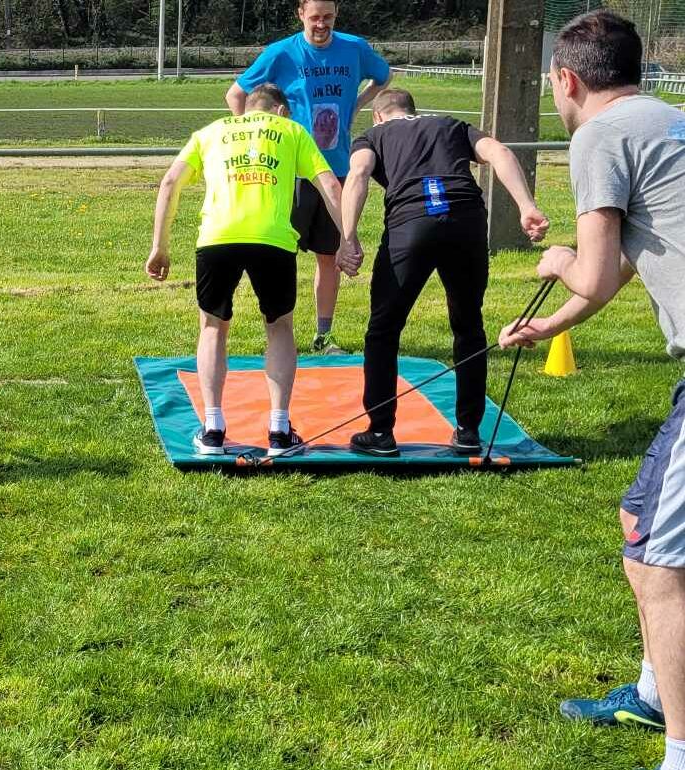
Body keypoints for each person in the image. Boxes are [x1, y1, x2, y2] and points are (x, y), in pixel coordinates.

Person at [497, 11, 685, 769]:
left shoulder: (599, 136)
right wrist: (552, 325)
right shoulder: (666, 121)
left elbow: (595, 268)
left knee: (657, 567)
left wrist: (559, 262)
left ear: (565, 79)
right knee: (639, 517)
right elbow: (634, 256)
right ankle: (652, 694)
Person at [338, 88, 549, 457]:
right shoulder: (451, 125)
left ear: (378, 115)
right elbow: (499, 152)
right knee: (468, 325)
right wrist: (526, 206)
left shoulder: (373, 135)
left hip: (411, 222)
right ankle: (468, 431)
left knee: (383, 329)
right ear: (413, 110)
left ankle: (381, 431)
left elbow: (358, 173)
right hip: (465, 219)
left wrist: (348, 236)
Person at [147, 84, 348, 457]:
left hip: (217, 237)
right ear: (281, 110)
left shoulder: (211, 132)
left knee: (212, 327)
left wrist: (160, 245)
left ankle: (212, 429)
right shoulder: (291, 131)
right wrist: (347, 239)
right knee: (279, 326)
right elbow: (330, 187)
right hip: (273, 239)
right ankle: (279, 429)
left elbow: (170, 182)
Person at [226, 0, 392, 353]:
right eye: (315, 17)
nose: (321, 24)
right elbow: (236, 94)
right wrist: (253, 139)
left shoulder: (354, 48)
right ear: (300, 14)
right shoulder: (281, 53)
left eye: (328, 17)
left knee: (329, 256)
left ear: (337, 14)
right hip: (289, 174)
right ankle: (276, 335)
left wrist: (357, 105)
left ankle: (323, 336)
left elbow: (383, 76)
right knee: (276, 253)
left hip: (335, 170)